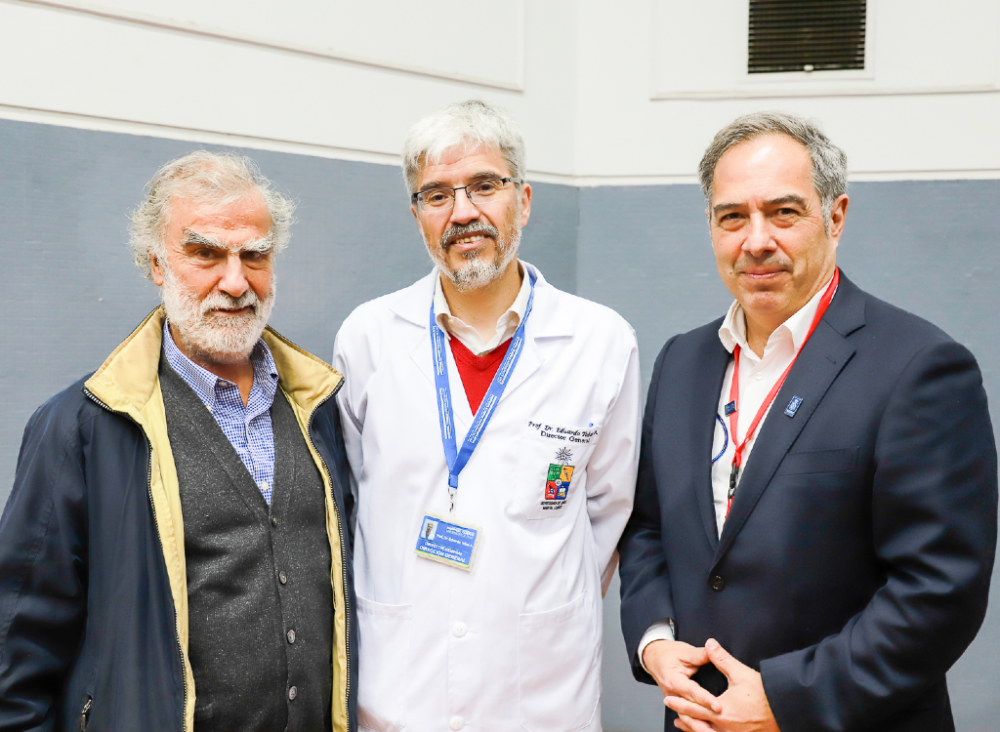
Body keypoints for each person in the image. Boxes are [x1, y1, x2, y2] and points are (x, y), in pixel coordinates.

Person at [617, 111, 998, 732]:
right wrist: (655, 640)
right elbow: (651, 529)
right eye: (732, 216)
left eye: (784, 212)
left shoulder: (920, 366)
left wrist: (784, 700)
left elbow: (939, 591)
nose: (756, 239)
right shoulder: (682, 360)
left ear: (836, 216)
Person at [0, 151, 357, 732]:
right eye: (205, 253)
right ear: (156, 263)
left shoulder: (318, 409)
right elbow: (19, 640)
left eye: (255, 255)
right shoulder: (82, 426)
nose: (235, 281)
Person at [333, 99, 640, 732]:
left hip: (540, 691)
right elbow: (352, 502)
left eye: (483, 186)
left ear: (523, 201)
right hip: (398, 689)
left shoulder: (600, 342)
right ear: (416, 214)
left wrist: (533, 590)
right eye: (436, 194)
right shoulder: (367, 338)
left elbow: (609, 513)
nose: (462, 211)